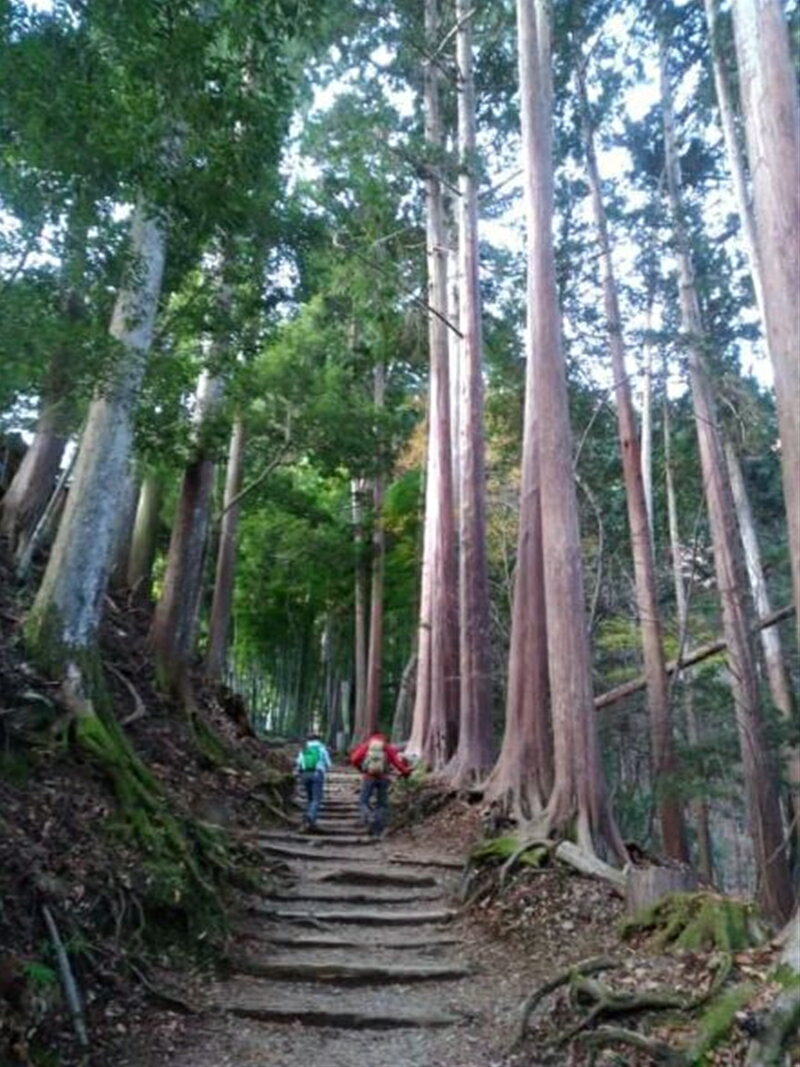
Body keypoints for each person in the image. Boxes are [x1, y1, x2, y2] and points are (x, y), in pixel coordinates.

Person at [349, 732, 411, 837]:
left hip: (368, 777)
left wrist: (361, 769)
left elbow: (354, 759)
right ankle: (378, 830)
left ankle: (368, 816)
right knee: (382, 804)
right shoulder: (387, 747)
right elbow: (396, 762)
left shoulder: (367, 745)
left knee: (363, 801)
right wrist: (405, 772)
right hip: (383, 778)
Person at [295, 732, 332, 832]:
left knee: (310, 798)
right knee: (316, 799)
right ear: (318, 739)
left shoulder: (304, 749)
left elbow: (298, 762)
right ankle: (310, 818)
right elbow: (328, 764)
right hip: (317, 774)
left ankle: (309, 820)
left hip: (305, 775)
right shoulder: (321, 749)